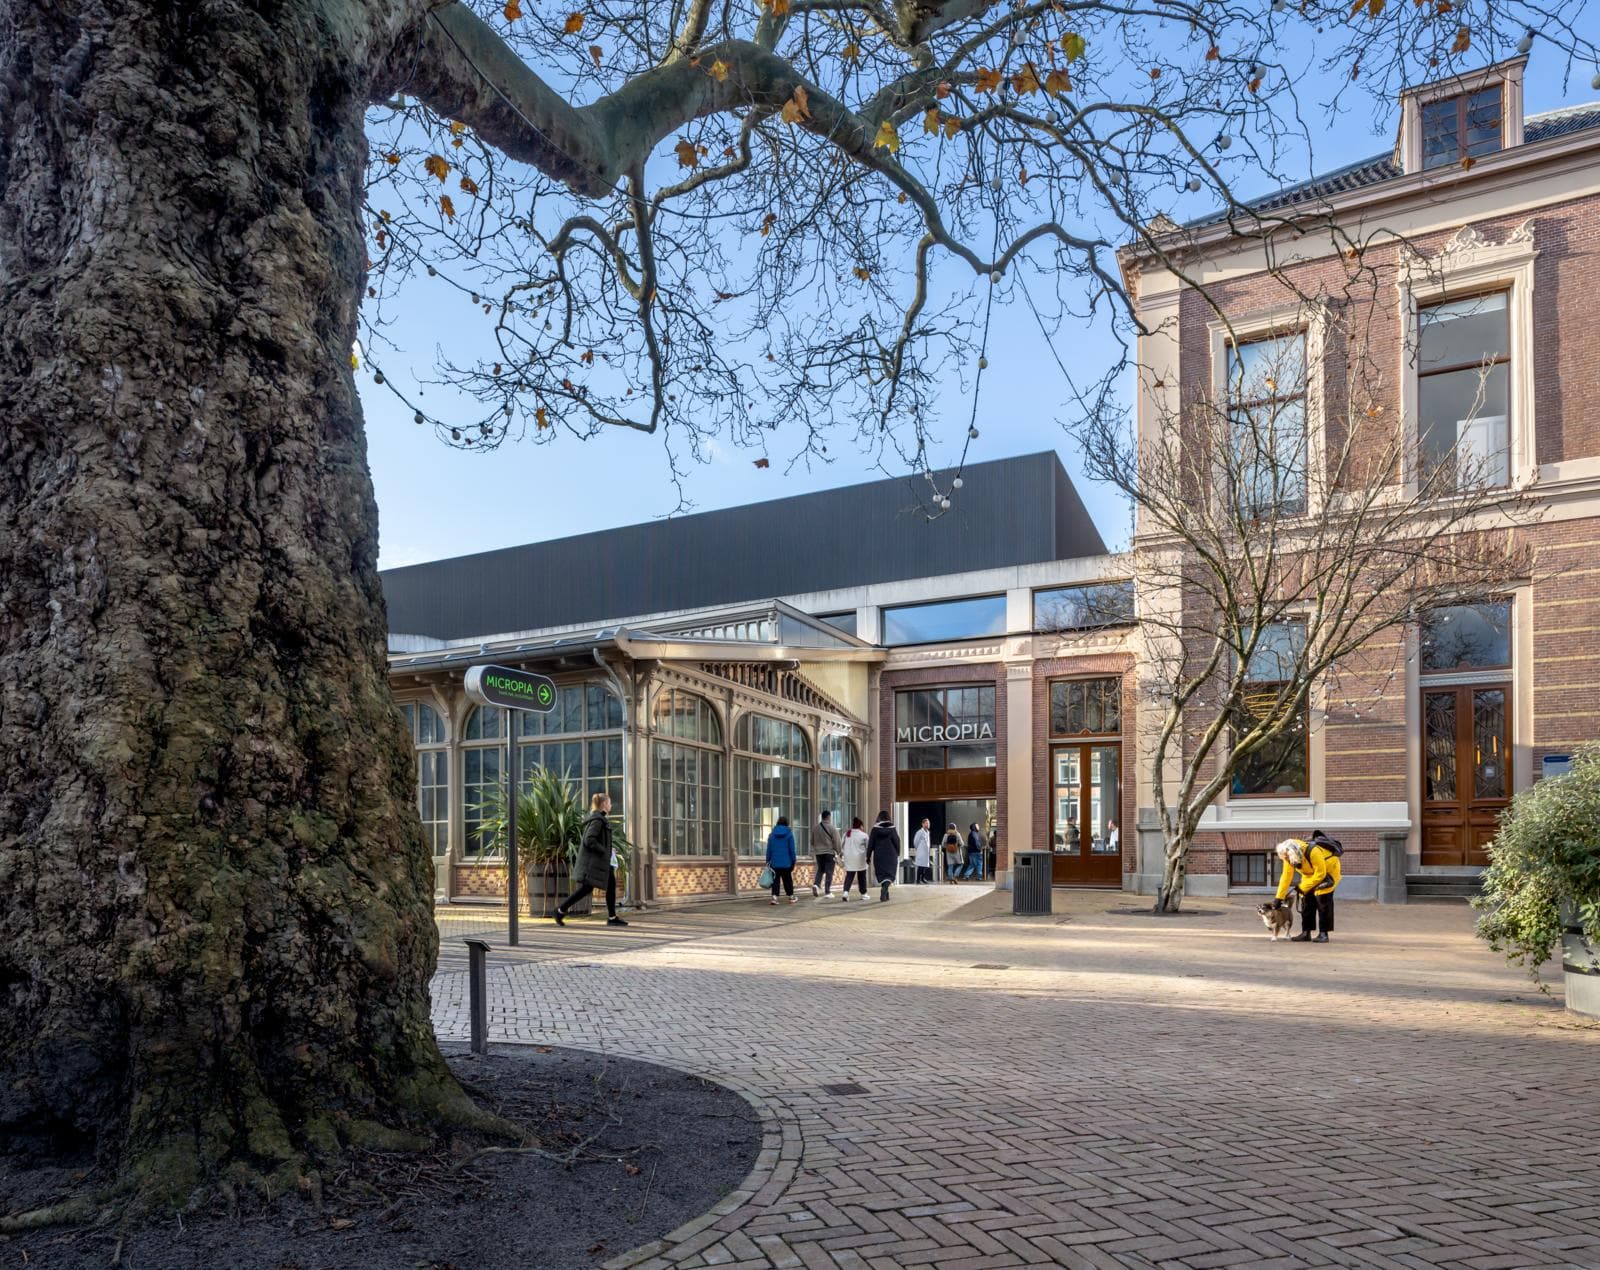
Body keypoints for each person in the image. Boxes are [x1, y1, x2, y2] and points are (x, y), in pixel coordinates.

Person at [554, 792, 628, 927]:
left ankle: (612, 917)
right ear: (604, 804)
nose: (611, 805)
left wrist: (608, 849)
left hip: (600, 862)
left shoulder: (599, 818)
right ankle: (560, 910)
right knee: (586, 889)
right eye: (609, 803)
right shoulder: (598, 820)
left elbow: (596, 840)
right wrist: (604, 850)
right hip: (594, 863)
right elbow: (589, 839)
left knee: (610, 885)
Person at [1274, 835, 1341, 942]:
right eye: (1284, 858)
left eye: (1287, 858)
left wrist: (1302, 887)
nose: (1286, 860)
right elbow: (1286, 876)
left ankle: (1323, 934)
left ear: (1293, 854)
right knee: (1306, 902)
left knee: (1323, 903)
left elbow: (1320, 874)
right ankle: (1306, 933)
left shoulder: (1313, 852)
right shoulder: (1287, 856)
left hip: (1327, 875)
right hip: (1309, 874)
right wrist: (1279, 897)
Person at [868, 811, 901, 903]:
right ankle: (885, 889)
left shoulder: (875, 829)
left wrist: (868, 856)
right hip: (891, 855)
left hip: (879, 855)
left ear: (879, 818)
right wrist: (898, 853)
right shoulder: (892, 829)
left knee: (882, 874)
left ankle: (885, 892)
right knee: (890, 874)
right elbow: (897, 841)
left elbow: (870, 843)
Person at [766, 816, 798, 905]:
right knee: (787, 880)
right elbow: (792, 849)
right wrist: (793, 860)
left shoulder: (772, 834)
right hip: (786, 862)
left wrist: (768, 860)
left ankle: (774, 898)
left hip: (775, 862)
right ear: (787, 823)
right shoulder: (789, 834)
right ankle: (791, 897)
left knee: (775, 880)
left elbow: (769, 849)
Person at [839, 816, 870, 900]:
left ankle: (845, 892)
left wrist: (843, 854)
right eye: (862, 826)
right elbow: (868, 847)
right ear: (860, 826)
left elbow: (841, 846)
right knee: (862, 876)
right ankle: (863, 894)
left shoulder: (846, 834)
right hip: (860, 858)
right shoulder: (864, 835)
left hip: (849, 858)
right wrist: (868, 857)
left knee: (849, 876)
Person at [813, 809, 840, 898]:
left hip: (818, 853)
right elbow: (837, 841)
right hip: (829, 853)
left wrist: (817, 848)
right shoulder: (832, 828)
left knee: (820, 869)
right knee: (829, 872)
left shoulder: (815, 828)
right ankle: (827, 891)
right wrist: (839, 852)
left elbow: (812, 841)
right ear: (828, 817)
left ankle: (816, 884)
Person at [913, 818, 932, 884]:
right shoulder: (919, 832)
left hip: (926, 852)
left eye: (928, 823)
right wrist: (918, 848)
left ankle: (923, 878)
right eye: (926, 823)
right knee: (920, 866)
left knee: (924, 866)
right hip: (921, 851)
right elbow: (915, 841)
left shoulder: (928, 832)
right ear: (923, 824)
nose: (928, 824)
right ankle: (918, 880)